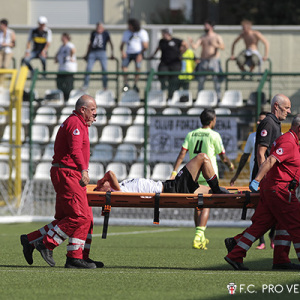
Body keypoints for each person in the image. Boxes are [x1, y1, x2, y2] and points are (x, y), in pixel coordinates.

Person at [20, 95, 104, 269]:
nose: (95, 115)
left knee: (82, 217)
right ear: (83, 110)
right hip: (68, 173)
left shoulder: (78, 123)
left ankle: (32, 241)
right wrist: (83, 170)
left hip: (68, 172)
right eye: (93, 110)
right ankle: (47, 244)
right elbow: (74, 150)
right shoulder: (75, 124)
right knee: (79, 216)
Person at [224, 115, 300, 271]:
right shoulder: (288, 142)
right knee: (297, 224)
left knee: (261, 225)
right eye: (286, 108)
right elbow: (271, 160)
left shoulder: (291, 141)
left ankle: (236, 254)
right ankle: (280, 259)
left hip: (273, 189)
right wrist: (256, 180)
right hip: (280, 190)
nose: (288, 110)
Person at [171, 109, 234, 250]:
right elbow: (223, 156)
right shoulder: (214, 135)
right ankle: (198, 236)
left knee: (197, 205)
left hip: (194, 174)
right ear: (212, 121)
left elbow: (182, 153)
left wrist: (175, 171)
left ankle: (200, 236)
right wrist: (230, 165)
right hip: (208, 174)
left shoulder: (191, 134)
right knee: (207, 204)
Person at [96, 153, 226, 199]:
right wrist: (103, 179)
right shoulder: (117, 191)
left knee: (211, 191)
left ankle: (222, 191)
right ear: (106, 190)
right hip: (170, 188)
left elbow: (110, 176)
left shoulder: (119, 187)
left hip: (169, 186)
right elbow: (110, 174)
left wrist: (102, 183)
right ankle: (217, 189)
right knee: (202, 157)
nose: (102, 183)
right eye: (102, 185)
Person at [188, 20, 225, 101]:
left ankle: (218, 98)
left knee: (216, 81)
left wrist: (216, 45)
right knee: (201, 81)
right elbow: (195, 46)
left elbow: (222, 47)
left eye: (206, 25)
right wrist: (191, 42)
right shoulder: (203, 37)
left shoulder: (216, 36)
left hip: (213, 60)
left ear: (211, 26)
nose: (205, 27)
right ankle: (199, 98)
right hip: (203, 61)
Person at [230, 111, 267, 186]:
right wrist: (236, 175)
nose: (258, 122)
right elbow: (245, 156)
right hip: (254, 179)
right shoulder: (252, 136)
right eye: (258, 120)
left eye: (261, 121)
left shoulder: (277, 136)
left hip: (269, 179)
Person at [149, 28, 182, 99]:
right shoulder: (162, 41)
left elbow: (185, 45)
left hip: (175, 64)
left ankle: (171, 95)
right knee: (161, 74)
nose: (163, 35)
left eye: (164, 33)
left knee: (173, 80)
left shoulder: (176, 41)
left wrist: (182, 54)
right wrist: (152, 55)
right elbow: (157, 48)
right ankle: (164, 88)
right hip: (164, 63)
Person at [82, 22, 114, 91]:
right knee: (88, 68)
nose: (98, 29)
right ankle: (85, 85)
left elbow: (110, 43)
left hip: (102, 52)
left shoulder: (106, 33)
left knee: (104, 69)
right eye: (97, 27)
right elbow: (90, 44)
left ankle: (105, 86)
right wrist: (87, 54)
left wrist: (112, 54)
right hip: (93, 52)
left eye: (100, 27)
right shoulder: (93, 33)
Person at [120, 18, 149, 92]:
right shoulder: (126, 33)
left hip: (138, 53)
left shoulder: (142, 32)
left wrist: (140, 54)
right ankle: (126, 83)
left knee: (137, 68)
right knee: (124, 66)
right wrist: (122, 52)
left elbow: (145, 46)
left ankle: (135, 84)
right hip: (128, 53)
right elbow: (122, 45)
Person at [55, 33, 77, 100]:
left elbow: (73, 50)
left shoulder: (69, 45)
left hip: (69, 69)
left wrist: (71, 56)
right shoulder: (62, 46)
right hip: (62, 69)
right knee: (60, 84)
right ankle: (63, 98)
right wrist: (56, 58)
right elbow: (58, 53)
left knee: (68, 85)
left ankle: (68, 99)